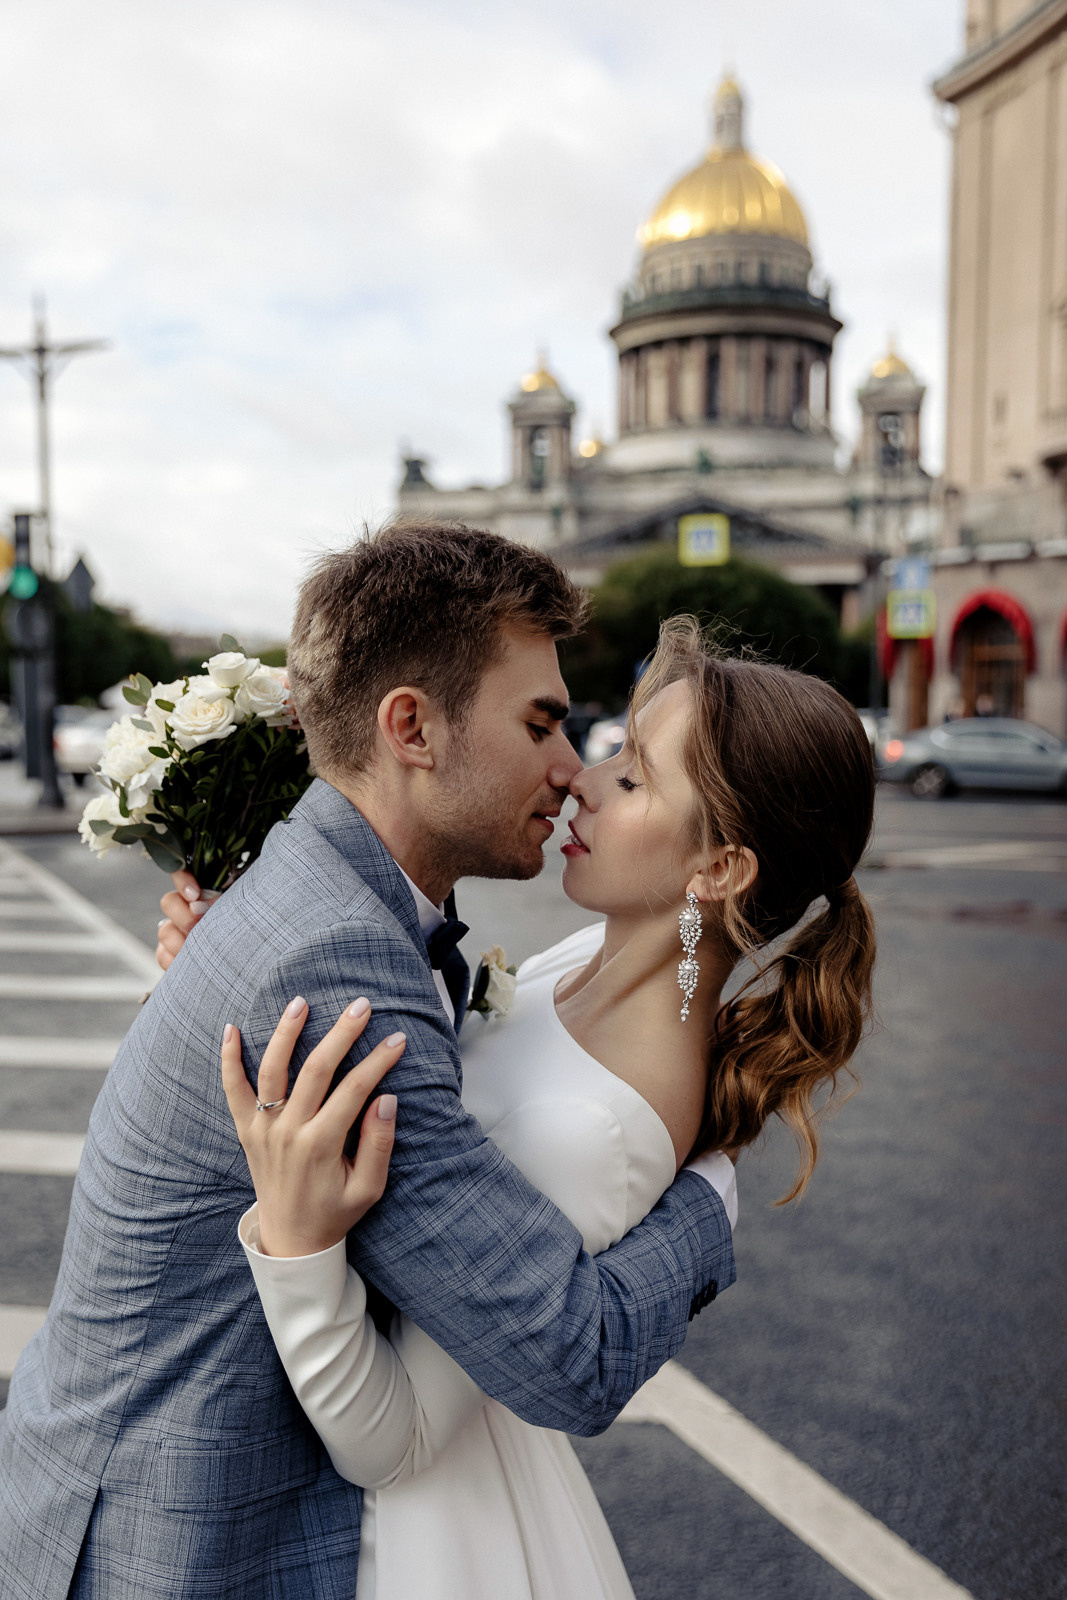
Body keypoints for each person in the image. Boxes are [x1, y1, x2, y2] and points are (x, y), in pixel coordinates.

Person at [0, 524, 737, 1600]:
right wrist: (708, 1203)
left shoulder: (323, 890)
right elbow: (566, 1357)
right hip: (168, 1538)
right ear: (411, 728)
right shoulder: (335, 952)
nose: (571, 767)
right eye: (540, 722)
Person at [185, 616, 878, 1599]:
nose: (581, 783)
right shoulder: (576, 968)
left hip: (410, 1542)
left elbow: (391, 1438)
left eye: (632, 776)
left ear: (717, 869)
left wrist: (298, 1247)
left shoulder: (603, 1126)